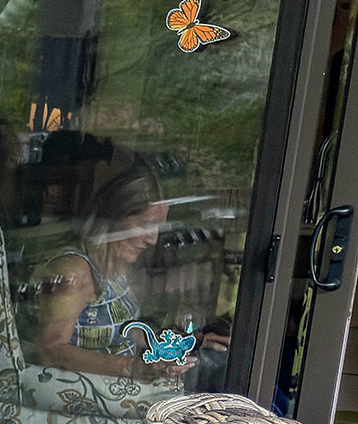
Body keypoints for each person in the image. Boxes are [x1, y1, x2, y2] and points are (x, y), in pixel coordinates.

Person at [28, 159, 226, 378]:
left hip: (121, 392)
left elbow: (125, 333)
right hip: (85, 399)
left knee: (216, 364)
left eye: (159, 228)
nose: (153, 239)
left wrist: (187, 343)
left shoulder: (115, 267)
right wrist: (132, 367)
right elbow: (49, 351)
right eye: (145, 225)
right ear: (114, 216)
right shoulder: (72, 271)